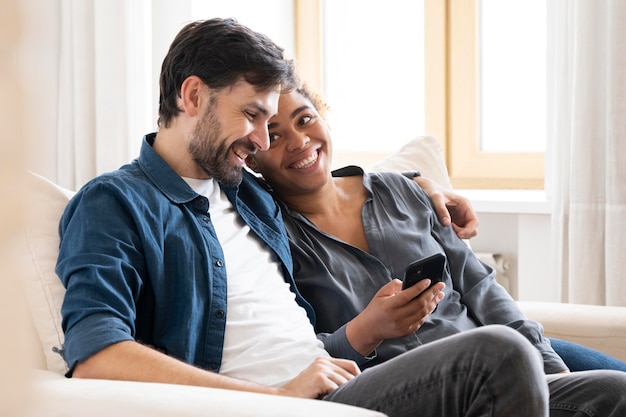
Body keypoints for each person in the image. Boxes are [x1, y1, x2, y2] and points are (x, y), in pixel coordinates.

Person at [55, 18, 552, 417]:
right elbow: (96, 356)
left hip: (338, 384)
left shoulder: (245, 192)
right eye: (253, 116)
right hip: (276, 403)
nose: (263, 142)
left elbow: (335, 184)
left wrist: (424, 186)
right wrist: (276, 398)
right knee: (499, 355)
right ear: (191, 96)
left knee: (607, 393)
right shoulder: (115, 203)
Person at [245, 85, 626, 416]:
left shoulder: (403, 190)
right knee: (502, 350)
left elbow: (481, 288)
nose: (299, 141)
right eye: (274, 137)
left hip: (498, 374)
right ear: (253, 156)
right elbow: (299, 354)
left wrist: (551, 370)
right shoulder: (273, 239)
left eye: (305, 119)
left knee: (613, 390)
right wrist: (367, 330)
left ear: (324, 118)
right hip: (398, 391)